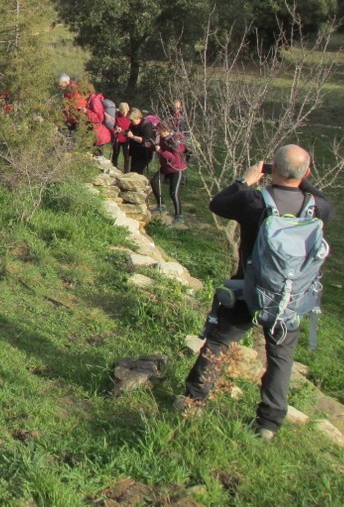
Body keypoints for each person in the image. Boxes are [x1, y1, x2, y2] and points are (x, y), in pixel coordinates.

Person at [179, 145, 333, 440]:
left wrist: (245, 180)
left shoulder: (255, 202)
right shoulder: (318, 208)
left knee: (219, 342)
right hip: (290, 298)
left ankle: (193, 400)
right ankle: (269, 424)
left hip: (248, 291)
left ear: (273, 169)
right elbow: (322, 197)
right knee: (280, 358)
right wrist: (301, 176)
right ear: (307, 173)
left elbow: (218, 203)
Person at [150, 121, 187, 223]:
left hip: (176, 169)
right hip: (165, 167)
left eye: (159, 131)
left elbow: (174, 157)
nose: (157, 133)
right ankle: (161, 205)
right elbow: (159, 147)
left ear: (165, 130)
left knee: (174, 193)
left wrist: (161, 151)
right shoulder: (162, 137)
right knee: (154, 182)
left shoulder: (176, 139)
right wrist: (153, 146)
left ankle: (179, 216)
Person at [126, 107, 157, 174]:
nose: (131, 122)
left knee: (136, 172)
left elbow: (145, 140)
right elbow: (129, 131)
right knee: (132, 171)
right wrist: (123, 131)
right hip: (135, 152)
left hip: (144, 153)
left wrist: (133, 137)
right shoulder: (133, 125)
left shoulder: (147, 125)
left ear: (137, 118)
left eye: (132, 120)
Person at [84, 83, 113, 153]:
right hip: (96, 134)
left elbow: (100, 118)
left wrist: (86, 111)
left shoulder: (94, 101)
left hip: (99, 135)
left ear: (87, 92)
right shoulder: (91, 100)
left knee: (97, 157)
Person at [112, 102, 132, 173]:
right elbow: (114, 126)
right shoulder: (117, 116)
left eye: (124, 111)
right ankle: (113, 168)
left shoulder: (130, 117)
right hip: (118, 137)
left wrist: (127, 132)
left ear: (127, 109)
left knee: (126, 156)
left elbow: (132, 128)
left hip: (127, 139)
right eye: (121, 111)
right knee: (115, 153)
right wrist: (115, 130)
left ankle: (126, 171)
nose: (123, 113)